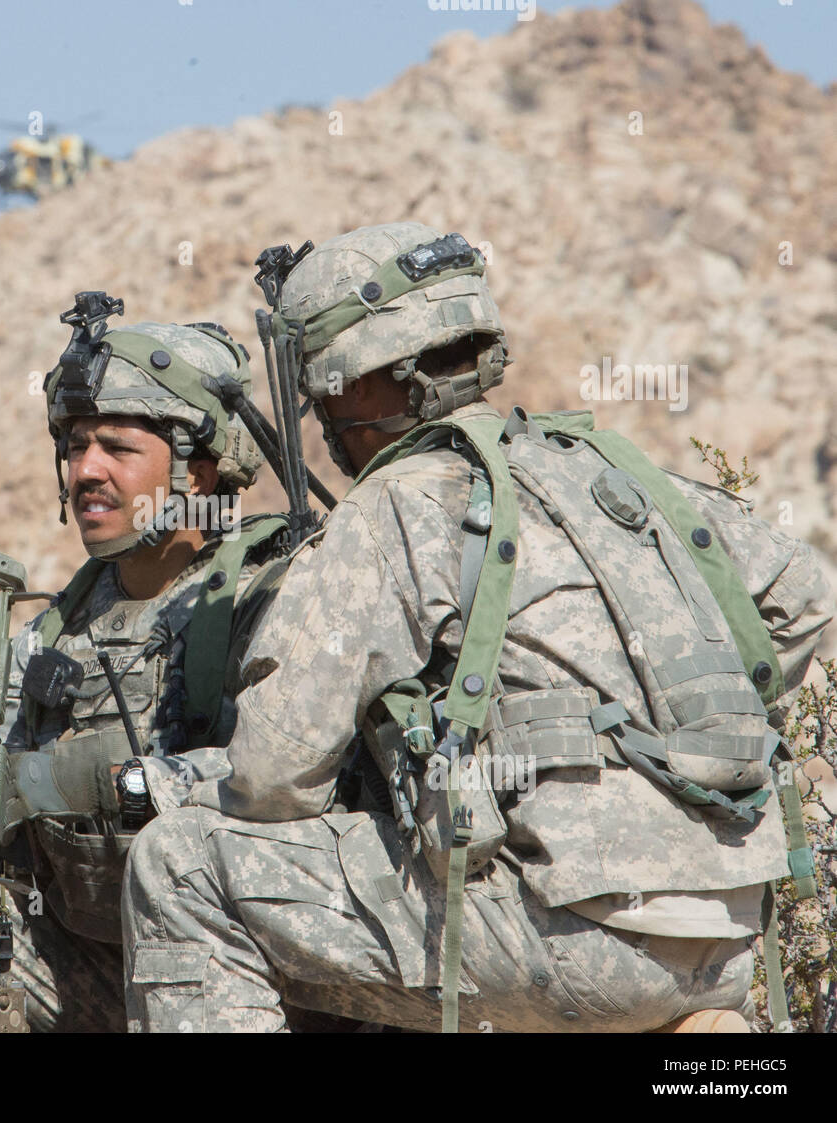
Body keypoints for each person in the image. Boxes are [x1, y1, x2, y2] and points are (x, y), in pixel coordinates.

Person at [121, 223, 834, 1033]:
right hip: (730, 940)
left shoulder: (401, 501)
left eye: (323, 392)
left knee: (180, 865)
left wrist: (177, 783)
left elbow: (275, 776)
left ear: (365, 381)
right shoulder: (616, 472)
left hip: (570, 941)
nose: (320, 416)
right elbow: (804, 596)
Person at [0, 294, 291, 1031]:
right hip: (98, 962)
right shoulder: (62, 623)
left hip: (244, 976)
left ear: (198, 474)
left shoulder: (265, 599)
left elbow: (284, 778)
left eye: (117, 447)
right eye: (75, 446)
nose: (86, 470)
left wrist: (89, 781)